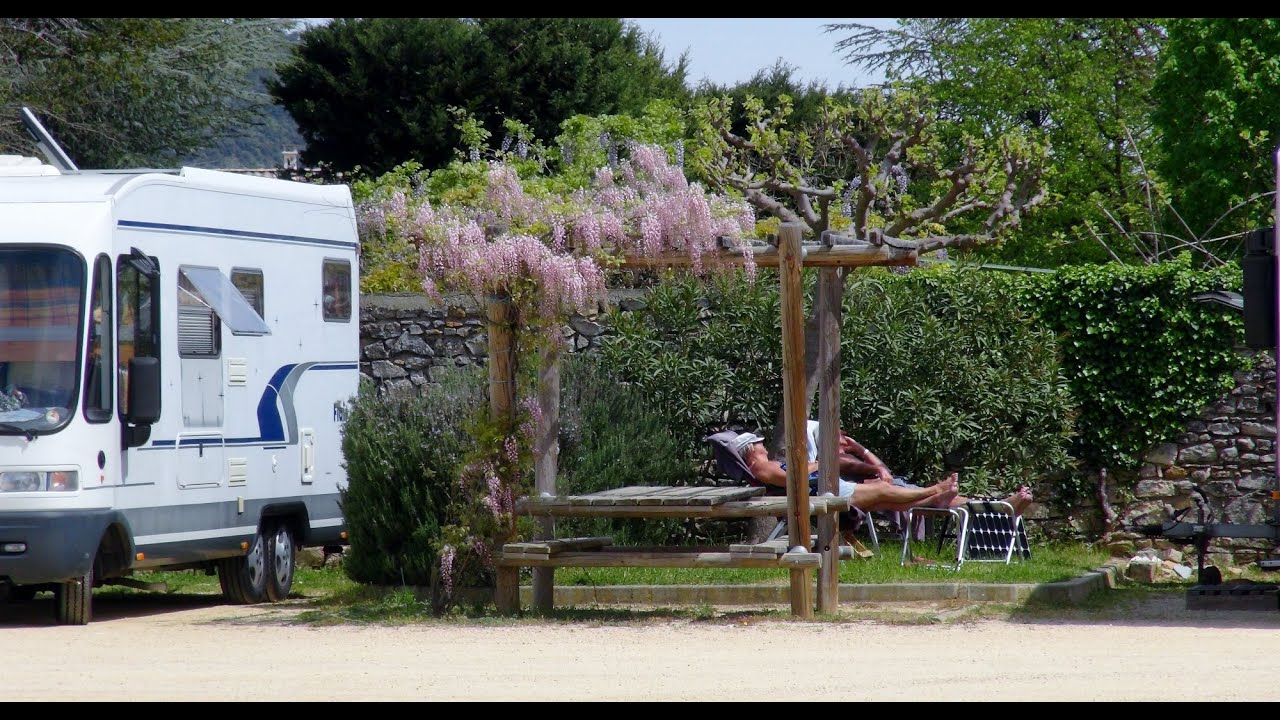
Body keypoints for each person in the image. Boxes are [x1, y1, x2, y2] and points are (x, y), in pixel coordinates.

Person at [731, 431, 959, 513]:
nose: (764, 445)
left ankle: (935, 500)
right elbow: (794, 478)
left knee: (884, 501)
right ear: (752, 449)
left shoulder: (765, 465)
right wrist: (822, 463)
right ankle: (935, 489)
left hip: (820, 488)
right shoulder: (760, 466)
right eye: (760, 443)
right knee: (882, 489)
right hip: (818, 492)